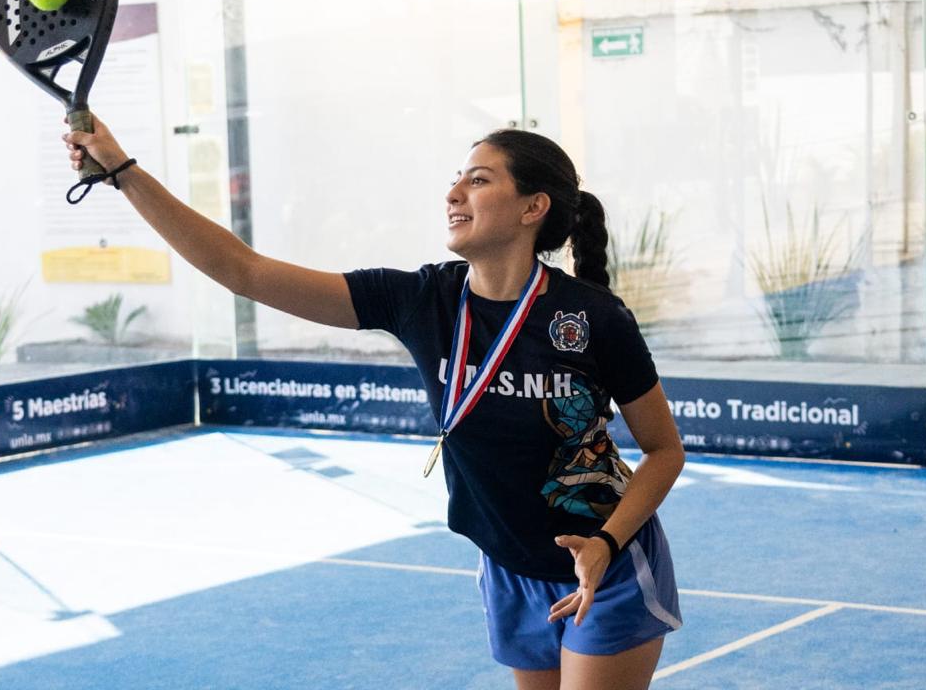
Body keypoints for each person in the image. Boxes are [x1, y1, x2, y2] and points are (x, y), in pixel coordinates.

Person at [63, 119, 686, 690]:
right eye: (456, 179)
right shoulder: (419, 299)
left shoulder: (594, 317)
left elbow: (664, 450)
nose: (453, 194)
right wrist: (124, 172)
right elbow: (242, 270)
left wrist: (606, 543)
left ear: (533, 207)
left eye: (478, 180)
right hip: (507, 565)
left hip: (606, 561)